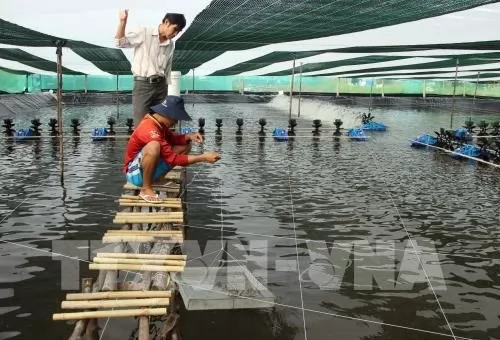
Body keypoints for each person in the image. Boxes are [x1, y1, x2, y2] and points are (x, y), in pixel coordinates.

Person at [124, 95, 220, 203]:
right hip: (133, 174)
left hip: (143, 169)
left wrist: (189, 136)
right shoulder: (149, 129)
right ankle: (146, 189)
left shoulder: (159, 124)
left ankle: (158, 179)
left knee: (185, 144)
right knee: (153, 147)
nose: (176, 122)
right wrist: (203, 157)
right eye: (176, 118)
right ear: (167, 114)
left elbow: (172, 139)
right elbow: (171, 158)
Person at [115, 9, 186, 124]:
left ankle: (159, 141)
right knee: (142, 125)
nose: (176, 34)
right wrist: (123, 22)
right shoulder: (144, 33)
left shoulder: (171, 44)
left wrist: (166, 89)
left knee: (161, 123)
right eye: (175, 29)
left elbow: (168, 67)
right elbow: (120, 43)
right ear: (166, 22)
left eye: (179, 31)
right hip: (143, 86)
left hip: (161, 87)